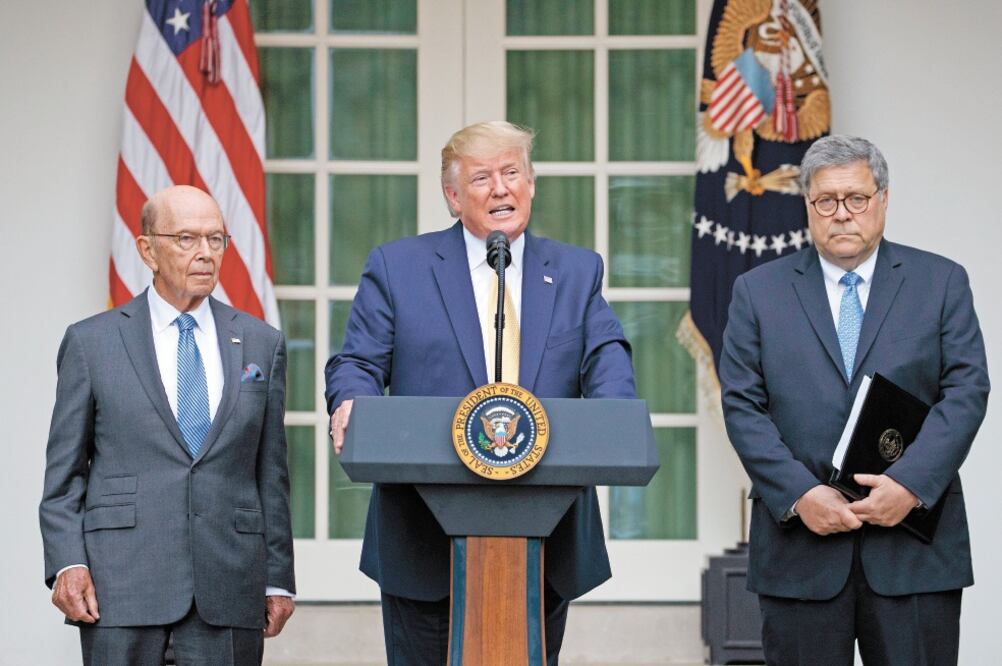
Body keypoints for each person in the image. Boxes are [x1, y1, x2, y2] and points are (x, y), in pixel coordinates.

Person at [325, 120, 636, 665]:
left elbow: (606, 355)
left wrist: (613, 416)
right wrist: (350, 398)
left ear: (531, 183)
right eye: (481, 178)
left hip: (545, 531)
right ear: (452, 196)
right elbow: (357, 361)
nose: (500, 189)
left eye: (512, 172)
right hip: (422, 537)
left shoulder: (576, 271)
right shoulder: (398, 268)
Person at [719, 135, 989, 665]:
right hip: (800, 552)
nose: (842, 214)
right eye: (826, 201)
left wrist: (910, 484)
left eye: (857, 199)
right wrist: (800, 494)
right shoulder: (757, 292)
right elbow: (742, 406)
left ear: (883, 199)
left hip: (913, 551)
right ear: (807, 206)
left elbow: (967, 390)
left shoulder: (941, 283)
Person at [39, 185, 296, 665]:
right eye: (186, 239)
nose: (205, 254)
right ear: (147, 250)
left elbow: (271, 474)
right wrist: (68, 563)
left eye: (215, 240)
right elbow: (64, 473)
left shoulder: (262, 343)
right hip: (120, 587)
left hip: (229, 586)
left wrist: (278, 577)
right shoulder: (91, 343)